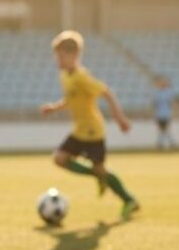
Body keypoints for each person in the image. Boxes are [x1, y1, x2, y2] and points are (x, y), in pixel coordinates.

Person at [40, 30, 140, 221]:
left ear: (74, 56)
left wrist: (120, 119)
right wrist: (54, 108)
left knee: (100, 169)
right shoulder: (65, 76)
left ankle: (129, 200)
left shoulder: (82, 77)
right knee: (59, 159)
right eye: (56, 56)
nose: (57, 60)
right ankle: (98, 176)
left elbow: (107, 93)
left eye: (61, 56)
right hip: (79, 131)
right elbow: (71, 98)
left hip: (94, 132)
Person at [152, 76, 179, 150]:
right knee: (161, 130)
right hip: (159, 114)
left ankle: (167, 144)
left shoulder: (168, 92)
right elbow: (155, 104)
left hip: (166, 114)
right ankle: (163, 144)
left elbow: (172, 103)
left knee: (166, 130)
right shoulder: (157, 92)